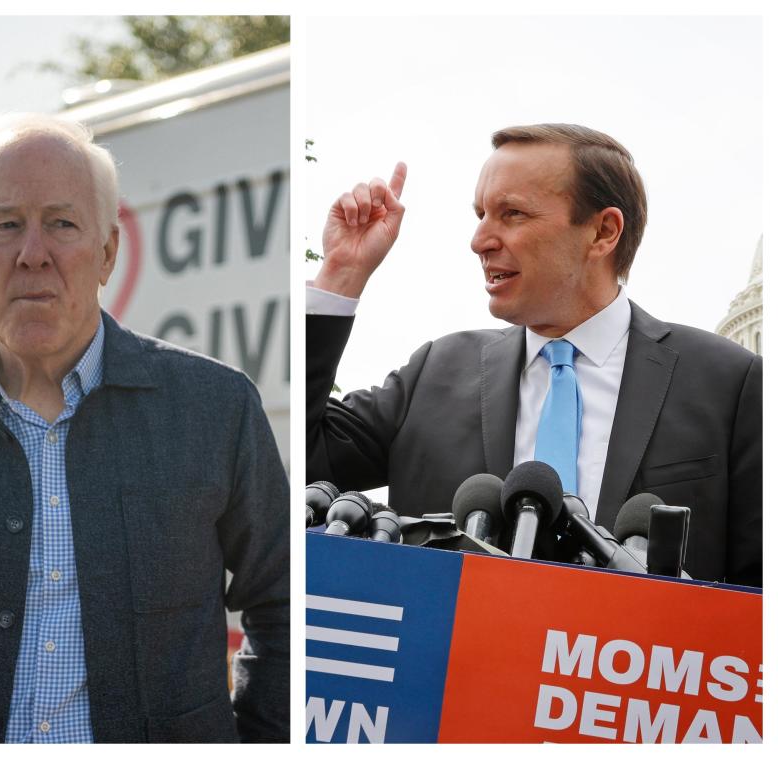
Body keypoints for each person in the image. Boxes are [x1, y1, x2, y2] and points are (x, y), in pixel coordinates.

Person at [0, 113, 290, 743]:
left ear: (107, 253)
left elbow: (288, 602)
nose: (32, 254)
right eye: (5, 226)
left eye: (62, 223)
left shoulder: (217, 410)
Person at [307, 123, 761, 587]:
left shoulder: (732, 384)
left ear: (603, 232)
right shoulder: (433, 372)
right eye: (481, 213)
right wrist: (341, 276)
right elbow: (296, 457)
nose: (480, 239)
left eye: (513, 214)